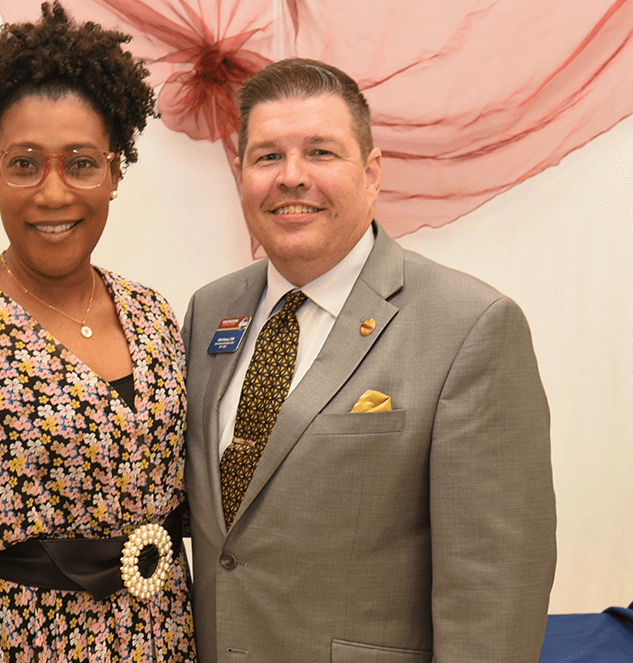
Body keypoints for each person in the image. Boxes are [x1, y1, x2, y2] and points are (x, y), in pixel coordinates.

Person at [182, 58, 556, 662]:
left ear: (372, 173)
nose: (291, 177)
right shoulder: (209, 312)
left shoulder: (471, 327)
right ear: (242, 175)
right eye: (268, 156)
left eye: (321, 152)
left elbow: (493, 590)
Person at [0, 4, 195, 661]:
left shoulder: (155, 317)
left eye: (81, 163)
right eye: (25, 164)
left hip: (169, 641)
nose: (53, 194)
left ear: (114, 172)